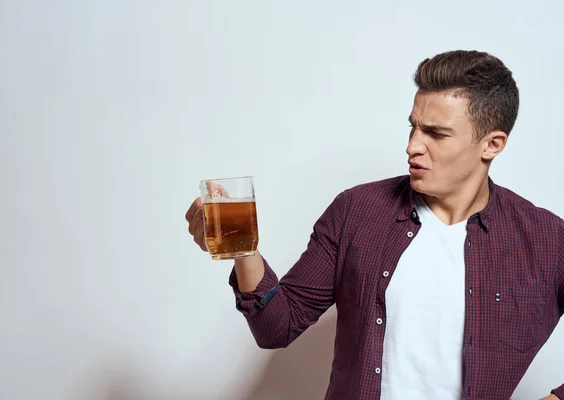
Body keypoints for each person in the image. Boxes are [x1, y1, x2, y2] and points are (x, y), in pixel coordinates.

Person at [185, 50, 564, 400]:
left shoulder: (547, 241)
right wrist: (243, 250)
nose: (413, 145)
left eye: (435, 133)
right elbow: (277, 328)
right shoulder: (358, 211)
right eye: (413, 127)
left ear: (492, 144)